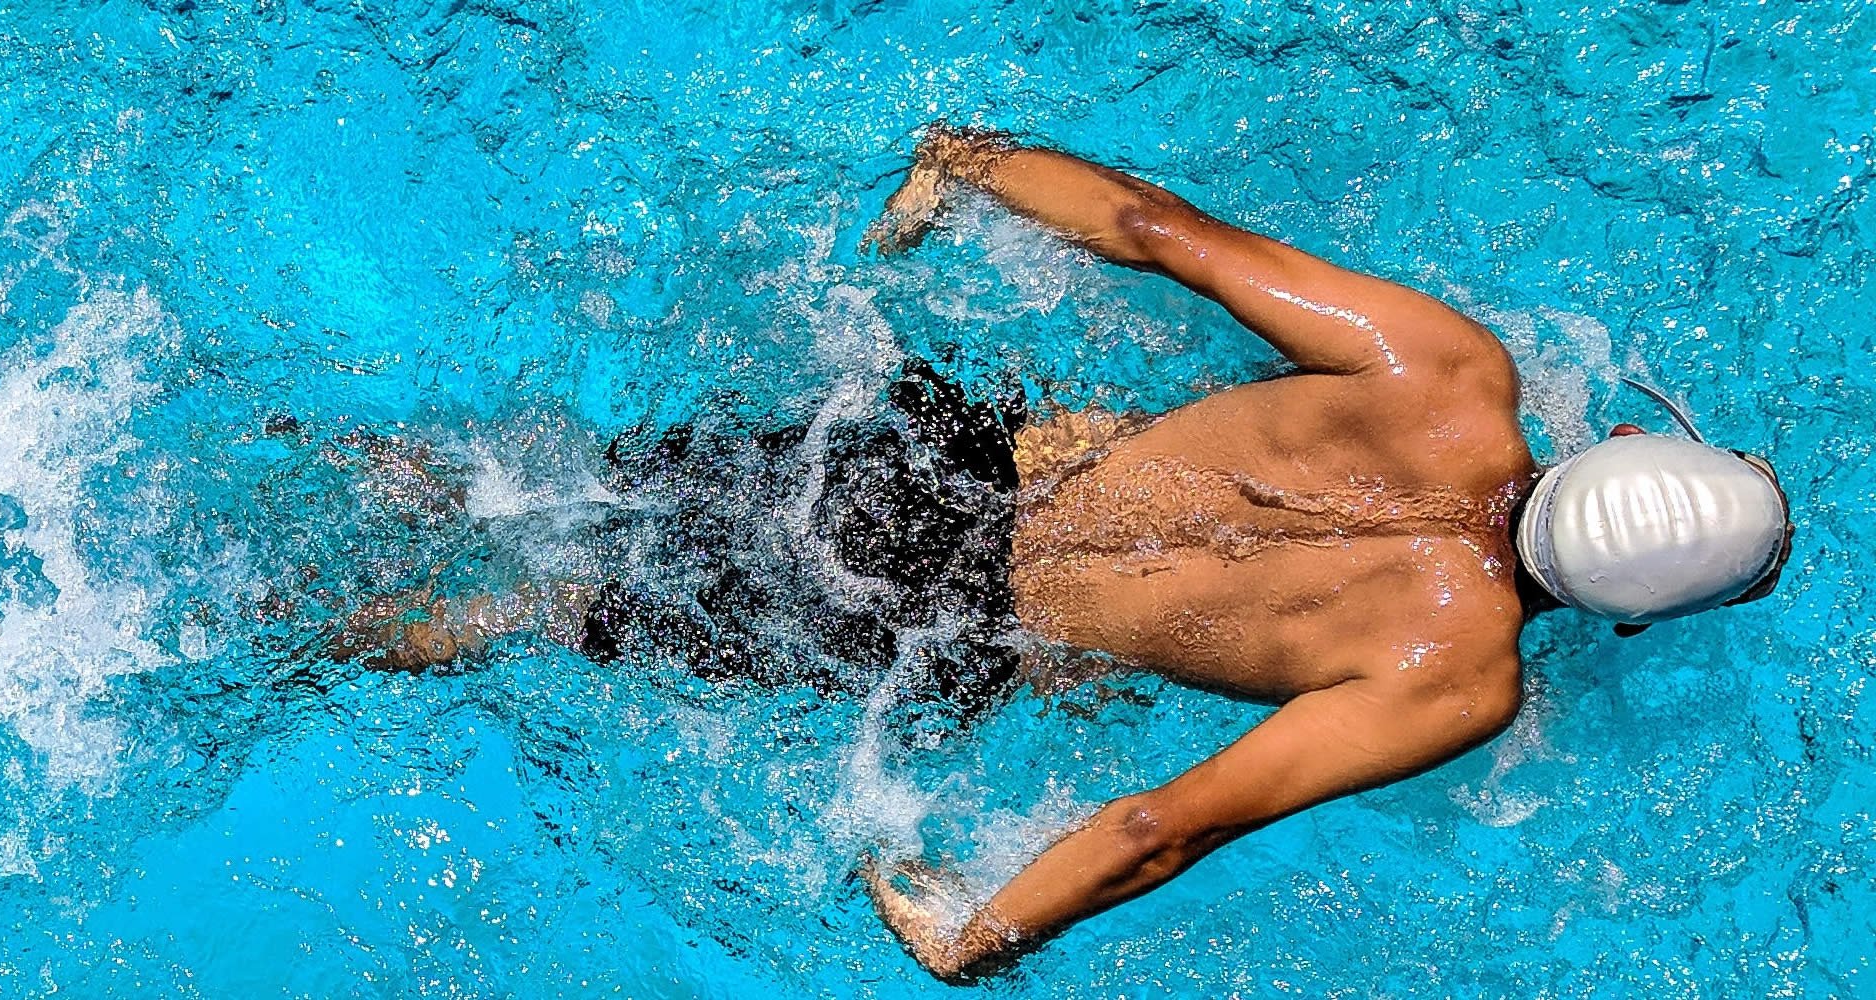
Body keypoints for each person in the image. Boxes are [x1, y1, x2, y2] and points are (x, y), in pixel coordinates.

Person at [327, 124, 1794, 982]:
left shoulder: (1450, 374)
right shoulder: (1457, 677)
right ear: (1634, 618)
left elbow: (1159, 231)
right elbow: (1168, 824)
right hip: (943, 622)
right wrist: (978, 936)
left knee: (545, 483)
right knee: (555, 613)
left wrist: (970, 163)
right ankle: (305, 637)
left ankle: (337, 461)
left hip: (930, 457)